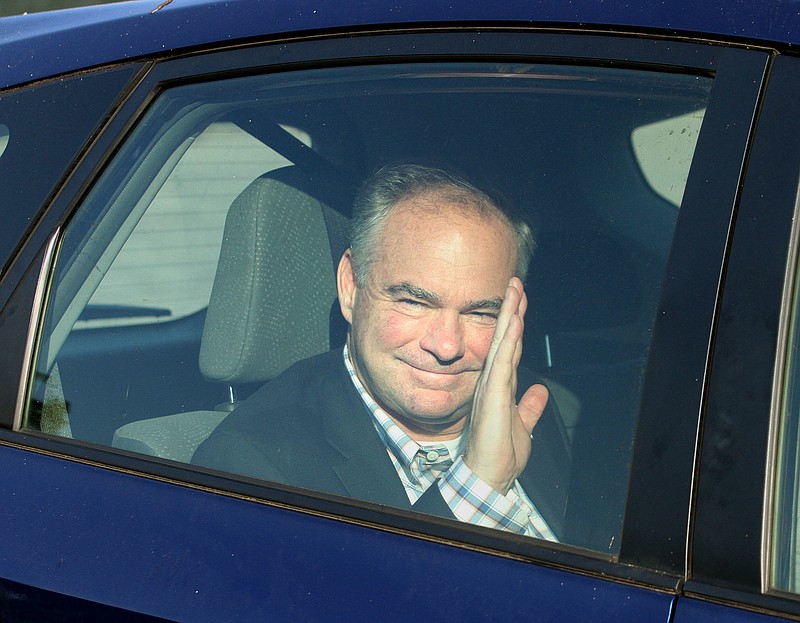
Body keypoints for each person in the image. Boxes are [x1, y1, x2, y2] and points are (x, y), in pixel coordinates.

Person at [193, 164, 569, 539]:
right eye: (413, 302)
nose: (447, 346)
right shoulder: (252, 466)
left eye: (480, 313)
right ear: (351, 286)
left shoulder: (525, 404)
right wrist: (478, 485)